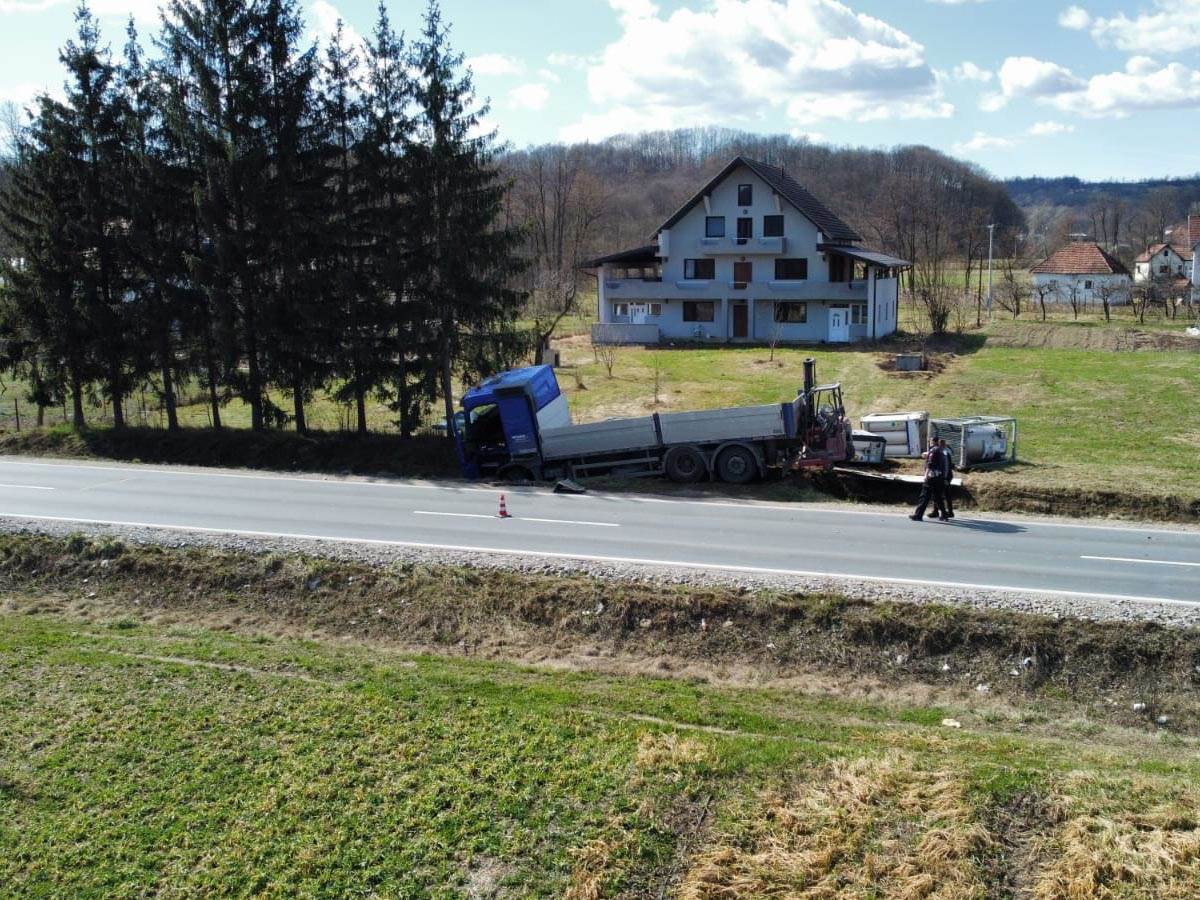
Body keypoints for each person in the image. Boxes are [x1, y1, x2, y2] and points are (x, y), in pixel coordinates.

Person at [909, 442, 948, 521]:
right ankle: (944, 515)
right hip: (939, 477)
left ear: (933, 442)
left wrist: (926, 476)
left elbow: (930, 465)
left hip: (931, 477)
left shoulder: (933, 450)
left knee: (924, 496)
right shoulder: (942, 452)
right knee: (938, 497)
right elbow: (944, 466)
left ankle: (918, 515)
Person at [938, 438, 955, 519]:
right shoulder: (947, 451)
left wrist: (945, 478)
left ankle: (947, 512)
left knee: (944, 494)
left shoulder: (944, 452)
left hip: (946, 476)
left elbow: (946, 466)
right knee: (946, 494)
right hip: (947, 475)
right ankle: (949, 511)